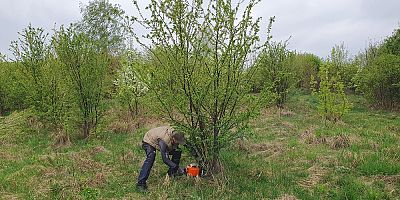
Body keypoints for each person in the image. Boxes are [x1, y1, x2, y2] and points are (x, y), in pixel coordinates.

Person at [136, 126, 186, 192]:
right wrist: (177, 167)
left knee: (177, 152)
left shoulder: (178, 135)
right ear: (173, 139)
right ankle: (140, 184)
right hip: (149, 140)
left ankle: (171, 175)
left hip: (160, 139)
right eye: (178, 142)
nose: (179, 143)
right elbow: (165, 159)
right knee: (151, 156)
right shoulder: (164, 141)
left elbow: (186, 144)